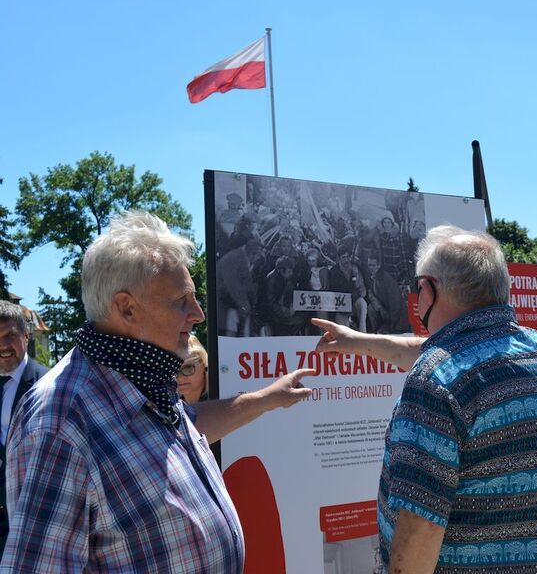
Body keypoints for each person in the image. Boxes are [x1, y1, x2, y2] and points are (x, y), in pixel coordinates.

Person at [1, 211, 314, 572]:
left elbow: (182, 430)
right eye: (181, 300)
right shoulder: (57, 422)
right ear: (126, 308)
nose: (197, 313)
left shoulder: (139, 373)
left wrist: (268, 398)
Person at [314, 225, 537, 573]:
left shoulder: (435, 381)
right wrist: (356, 341)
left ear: (431, 289)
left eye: (418, 287)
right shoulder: (533, 349)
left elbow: (421, 526)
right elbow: (442, 353)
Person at [0, 301, 49, 554]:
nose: (3, 346)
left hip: (31, 524)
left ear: (26, 335)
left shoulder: (50, 385)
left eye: (10, 336)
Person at [178, 334, 209, 404]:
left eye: (188, 368)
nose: (179, 378)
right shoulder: (169, 407)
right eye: (173, 370)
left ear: (203, 364)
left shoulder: (221, 400)